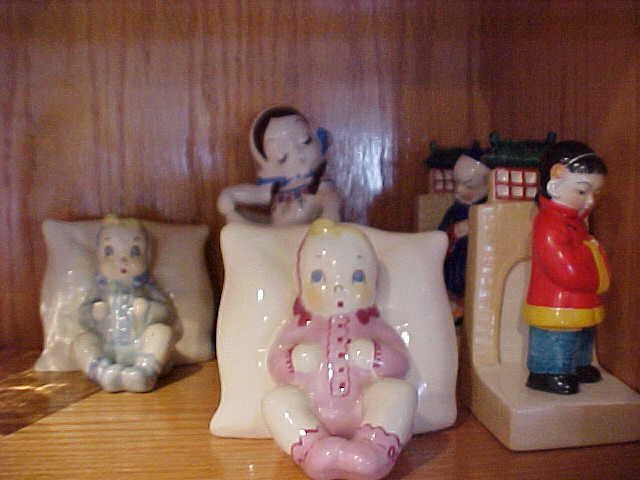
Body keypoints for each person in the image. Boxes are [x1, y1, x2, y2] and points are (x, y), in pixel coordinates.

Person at [262, 219, 416, 480]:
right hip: (314, 408)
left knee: (400, 392)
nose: (338, 287)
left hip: (364, 408)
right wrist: (294, 359)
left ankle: (374, 450)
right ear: (301, 284)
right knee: (276, 401)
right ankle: (315, 450)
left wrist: (376, 356)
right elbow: (276, 363)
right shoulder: (299, 327)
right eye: (318, 277)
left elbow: (400, 363)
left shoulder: (373, 326)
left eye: (357, 277)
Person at [524, 141, 610, 395]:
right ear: (555, 185)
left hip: (581, 298)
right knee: (559, 336)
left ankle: (577, 366)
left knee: (582, 335)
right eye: (582, 191)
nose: (590, 201)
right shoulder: (549, 225)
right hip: (557, 301)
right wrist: (592, 270)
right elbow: (563, 268)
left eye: (595, 193)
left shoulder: (577, 223)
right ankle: (548, 372)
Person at [73, 215, 173, 393]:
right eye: (109, 251)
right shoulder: (99, 289)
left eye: (135, 251)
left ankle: (144, 373)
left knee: (162, 332)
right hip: (107, 346)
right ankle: (103, 373)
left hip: (139, 344)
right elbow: (83, 316)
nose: (122, 260)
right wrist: (93, 313)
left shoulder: (147, 286)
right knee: (81, 341)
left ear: (147, 255)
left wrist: (148, 310)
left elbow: (165, 311)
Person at [438, 145, 490, 321]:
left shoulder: (488, 210)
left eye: (468, 185)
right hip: (455, 264)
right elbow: (441, 236)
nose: (459, 190)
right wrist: (453, 232)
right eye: (456, 183)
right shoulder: (455, 211)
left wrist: (475, 226)